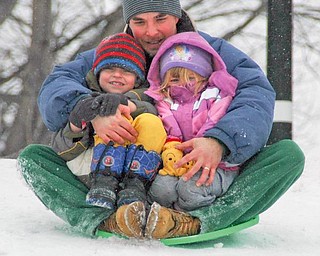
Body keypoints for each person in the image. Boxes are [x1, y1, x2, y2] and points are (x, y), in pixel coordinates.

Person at [17, 0, 305, 241]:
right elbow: (58, 82)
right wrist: (91, 112)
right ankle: (111, 219)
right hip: (119, 172)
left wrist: (220, 140)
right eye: (139, 21)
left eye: (160, 18)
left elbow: (255, 91)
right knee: (34, 158)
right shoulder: (114, 53)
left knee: (287, 155)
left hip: (192, 174)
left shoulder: (209, 51)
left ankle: (191, 221)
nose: (151, 32)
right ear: (128, 23)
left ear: (177, 16)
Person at [51, 33, 166, 236]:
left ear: (138, 78)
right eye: (110, 69)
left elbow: (151, 110)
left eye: (126, 71)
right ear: (97, 73)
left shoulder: (148, 100)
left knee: (147, 121)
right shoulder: (83, 96)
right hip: (91, 173)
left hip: (139, 178)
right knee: (35, 156)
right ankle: (99, 201)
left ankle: (134, 191)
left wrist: (127, 105)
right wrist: (78, 123)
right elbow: (62, 151)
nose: (117, 75)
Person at [144, 31, 240, 215]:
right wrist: (171, 150)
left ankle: (194, 217)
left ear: (203, 76)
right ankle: (162, 216)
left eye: (191, 78)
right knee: (160, 190)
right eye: (175, 79)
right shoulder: (164, 102)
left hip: (216, 164)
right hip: (178, 162)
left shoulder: (215, 96)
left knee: (191, 190)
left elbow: (215, 122)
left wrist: (206, 144)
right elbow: (165, 129)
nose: (183, 84)